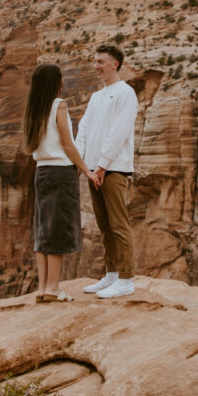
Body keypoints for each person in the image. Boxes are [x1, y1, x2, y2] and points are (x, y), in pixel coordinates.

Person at [22, 63, 99, 302]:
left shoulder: (34, 108)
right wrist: (85, 169)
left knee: (42, 228)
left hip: (41, 172)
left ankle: (43, 287)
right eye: (60, 78)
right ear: (54, 82)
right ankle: (54, 287)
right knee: (58, 228)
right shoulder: (59, 105)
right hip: (60, 172)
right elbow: (68, 144)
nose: (62, 82)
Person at [76, 44, 138, 298]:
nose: (96, 66)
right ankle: (111, 275)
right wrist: (81, 165)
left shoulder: (126, 93)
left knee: (118, 225)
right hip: (93, 171)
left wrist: (102, 165)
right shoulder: (96, 97)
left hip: (113, 170)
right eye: (94, 61)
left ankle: (126, 280)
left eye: (101, 61)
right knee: (104, 225)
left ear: (116, 64)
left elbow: (119, 132)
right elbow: (84, 130)